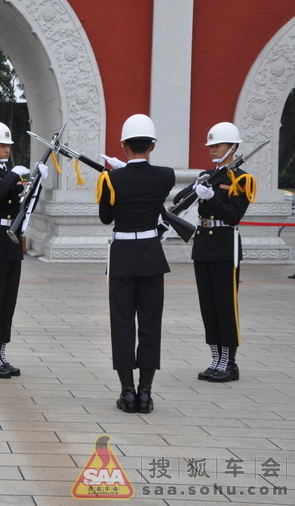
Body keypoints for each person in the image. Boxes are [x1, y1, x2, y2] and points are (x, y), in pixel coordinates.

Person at [96, 114, 175, 413]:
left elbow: (106, 218)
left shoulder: (110, 179)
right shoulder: (165, 176)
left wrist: (118, 175)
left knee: (123, 324)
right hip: (152, 256)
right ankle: (146, 394)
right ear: (152, 145)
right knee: (151, 325)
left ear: (123, 146)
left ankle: (127, 393)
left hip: (123, 258)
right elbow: (151, 189)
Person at [174, 122, 256, 383]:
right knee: (208, 307)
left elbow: (233, 216)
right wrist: (195, 188)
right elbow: (178, 201)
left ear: (232, 148)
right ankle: (215, 359)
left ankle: (229, 363)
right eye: (210, 145)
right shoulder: (207, 175)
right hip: (203, 246)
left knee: (225, 306)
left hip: (224, 247)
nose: (211, 149)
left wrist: (211, 197)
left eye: (217, 145)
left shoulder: (241, 179)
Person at [0, 121, 47, 378]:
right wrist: (14, 175)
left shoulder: (9, 174)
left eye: (8, 145)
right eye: (1, 145)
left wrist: (37, 182)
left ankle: (1, 354)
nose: (6, 149)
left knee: (7, 303)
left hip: (13, 241)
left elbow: (23, 205)